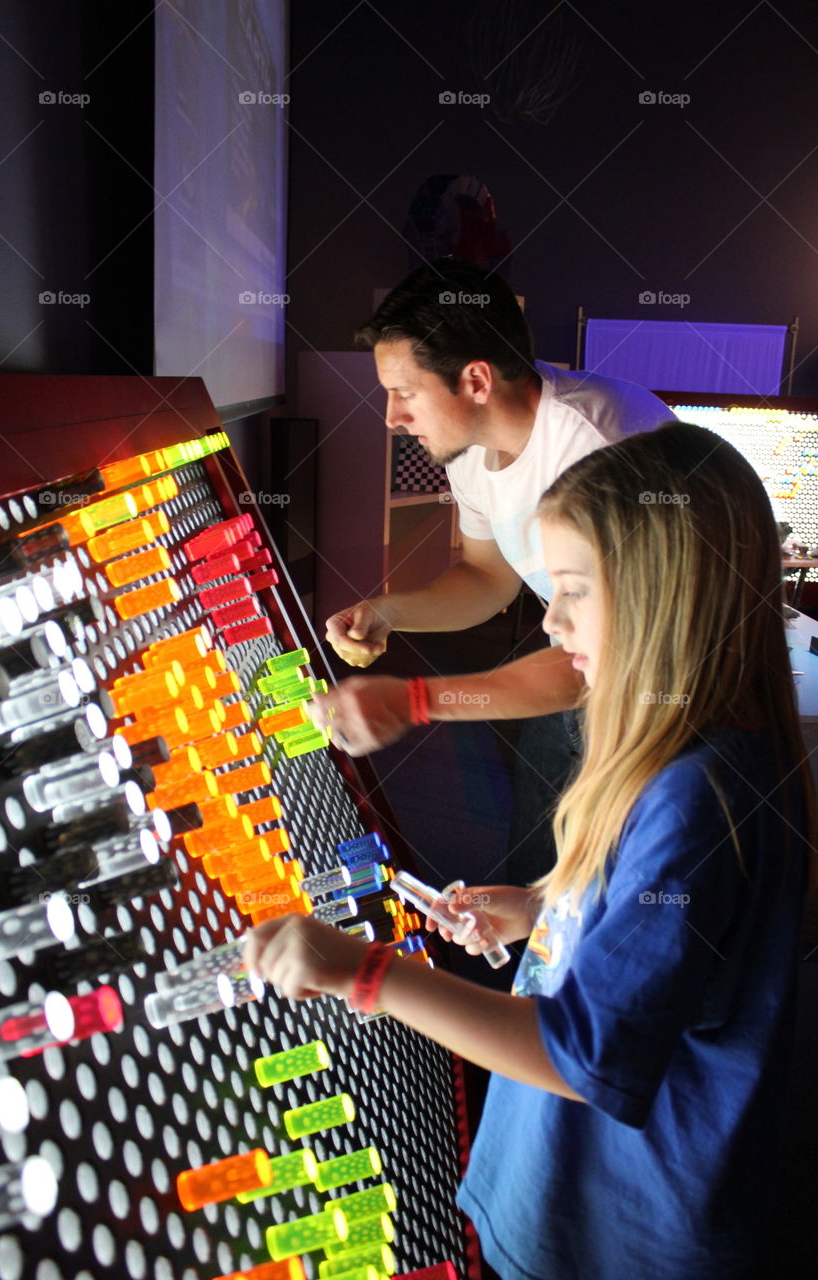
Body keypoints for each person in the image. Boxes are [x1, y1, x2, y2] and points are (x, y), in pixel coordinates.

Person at [244, 422, 816, 1280]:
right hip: (568, 1198)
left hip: (612, 1235)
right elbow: (668, 934)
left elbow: (583, 1057)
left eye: (575, 591)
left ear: (668, 595)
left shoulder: (698, 797)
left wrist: (369, 976)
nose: (548, 621)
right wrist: (543, 909)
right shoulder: (699, 761)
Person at [313, 256, 675, 882]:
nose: (391, 417)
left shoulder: (599, 448)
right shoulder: (471, 451)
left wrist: (413, 701)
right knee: (533, 871)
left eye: (404, 392)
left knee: (608, 906)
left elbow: (613, 661)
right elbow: (488, 577)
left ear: (476, 380)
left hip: (661, 704)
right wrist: (388, 612)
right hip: (574, 667)